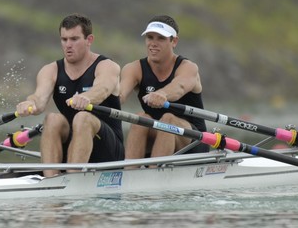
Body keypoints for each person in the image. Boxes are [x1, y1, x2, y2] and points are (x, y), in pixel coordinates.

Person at [16, 13, 124, 177]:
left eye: (74, 39)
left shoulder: (107, 66)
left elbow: (102, 89)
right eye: (64, 39)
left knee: (82, 117)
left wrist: (87, 97)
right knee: (52, 119)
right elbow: (39, 99)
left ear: (89, 40)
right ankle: (51, 180)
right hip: (73, 146)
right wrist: (29, 103)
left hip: (109, 151)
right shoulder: (50, 70)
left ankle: (72, 180)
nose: (68, 45)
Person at [119, 15, 209, 161]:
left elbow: (179, 87)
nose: (153, 43)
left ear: (174, 41)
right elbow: (120, 95)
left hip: (193, 142)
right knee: (140, 118)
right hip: (157, 136)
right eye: (150, 37)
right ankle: (129, 172)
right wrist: (94, 98)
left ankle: (154, 172)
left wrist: (162, 94)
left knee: (168, 119)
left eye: (160, 38)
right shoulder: (133, 68)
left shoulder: (188, 67)